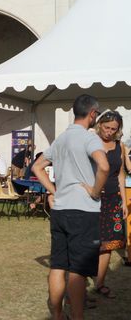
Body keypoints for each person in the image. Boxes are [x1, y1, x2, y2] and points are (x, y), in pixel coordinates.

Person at [32, 94, 109, 320]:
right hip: (83, 212)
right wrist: (95, 192)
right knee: (77, 272)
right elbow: (103, 167)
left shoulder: (61, 139)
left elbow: (37, 167)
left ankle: (57, 315)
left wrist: (54, 191)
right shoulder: (90, 138)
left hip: (61, 210)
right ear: (93, 113)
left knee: (58, 266)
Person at [90, 111, 128, 298]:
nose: (109, 132)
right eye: (107, 127)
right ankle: (80, 283)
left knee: (109, 243)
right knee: (88, 242)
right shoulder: (89, 141)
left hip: (113, 199)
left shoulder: (119, 146)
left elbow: (120, 174)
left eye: (114, 129)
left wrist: (124, 202)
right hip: (91, 198)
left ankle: (100, 283)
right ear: (100, 124)